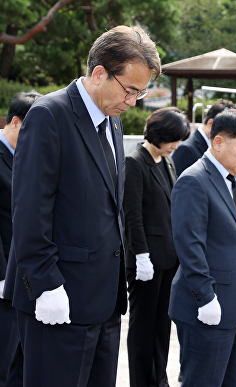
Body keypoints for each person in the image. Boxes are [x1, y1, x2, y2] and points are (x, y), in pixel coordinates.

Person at [2, 25, 161, 387]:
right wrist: (45, 285)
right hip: (59, 297)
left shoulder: (114, 121)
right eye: (130, 90)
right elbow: (29, 210)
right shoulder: (49, 115)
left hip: (103, 301)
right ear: (99, 72)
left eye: (141, 93)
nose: (133, 101)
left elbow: (110, 205)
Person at [169, 109, 236, 387]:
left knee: (232, 382)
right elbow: (190, 247)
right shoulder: (194, 180)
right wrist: (205, 296)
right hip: (206, 306)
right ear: (219, 142)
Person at [123, 107, 190, 387]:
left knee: (162, 327)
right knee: (143, 328)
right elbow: (133, 214)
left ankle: (158, 380)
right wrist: (141, 255)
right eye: (173, 139)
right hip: (146, 260)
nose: (177, 145)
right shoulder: (135, 161)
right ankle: (142, 381)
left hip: (168, 258)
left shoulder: (167, 160)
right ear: (159, 135)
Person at [0, 90, 43, 387]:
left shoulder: (30, 159)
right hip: (3, 276)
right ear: (15, 122)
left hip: (26, 276)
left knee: (22, 360)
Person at [172, 99, 236, 176]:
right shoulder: (186, 149)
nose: (231, 136)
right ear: (211, 124)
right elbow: (177, 184)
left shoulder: (213, 146)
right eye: (228, 131)